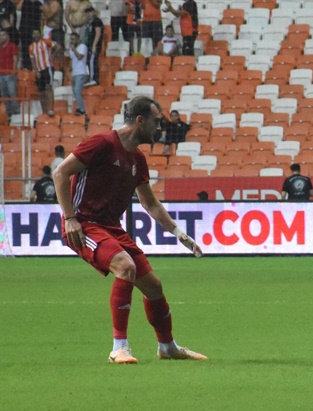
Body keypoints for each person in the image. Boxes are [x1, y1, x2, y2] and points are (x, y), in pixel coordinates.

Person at [53, 95, 207, 364]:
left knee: (154, 287)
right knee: (126, 266)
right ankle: (119, 348)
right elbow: (60, 173)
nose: (160, 128)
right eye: (157, 122)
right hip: (84, 225)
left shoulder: (137, 158)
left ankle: (168, 347)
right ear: (140, 121)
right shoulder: (101, 144)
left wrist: (179, 234)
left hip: (111, 228)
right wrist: (70, 217)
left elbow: (150, 204)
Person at [29, 28, 60, 116]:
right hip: (39, 70)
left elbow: (58, 46)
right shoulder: (31, 47)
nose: (35, 35)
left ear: (40, 34)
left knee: (48, 87)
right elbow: (32, 60)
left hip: (47, 67)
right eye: (34, 34)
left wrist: (52, 56)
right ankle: (44, 111)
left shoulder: (46, 42)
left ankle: (51, 109)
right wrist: (36, 70)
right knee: (41, 92)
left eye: (37, 33)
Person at [0, 28, 20, 117]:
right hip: (2, 74)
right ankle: (9, 113)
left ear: (7, 36)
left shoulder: (12, 46)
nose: (2, 37)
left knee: (12, 92)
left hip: (10, 73)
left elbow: (15, 59)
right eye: (1, 35)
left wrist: (13, 70)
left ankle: (16, 112)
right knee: (4, 94)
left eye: (3, 35)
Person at [17, 0, 42, 70]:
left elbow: (43, 15)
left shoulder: (39, 4)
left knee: (34, 49)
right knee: (25, 48)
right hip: (24, 29)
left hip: (34, 30)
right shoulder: (25, 2)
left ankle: (34, 66)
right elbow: (18, 8)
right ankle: (25, 66)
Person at [82, 6, 102, 86]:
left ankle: (94, 79)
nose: (89, 14)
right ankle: (90, 77)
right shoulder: (89, 22)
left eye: (90, 12)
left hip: (94, 45)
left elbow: (98, 33)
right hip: (89, 45)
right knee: (88, 61)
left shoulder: (97, 21)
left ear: (93, 12)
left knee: (92, 61)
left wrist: (94, 45)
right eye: (87, 13)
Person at [68, 32, 87, 115]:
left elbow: (80, 57)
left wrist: (73, 49)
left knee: (77, 91)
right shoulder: (71, 49)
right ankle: (79, 108)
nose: (72, 41)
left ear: (78, 39)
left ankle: (83, 110)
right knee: (75, 92)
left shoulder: (82, 47)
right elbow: (72, 60)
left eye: (73, 39)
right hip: (74, 73)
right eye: (71, 39)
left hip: (81, 72)